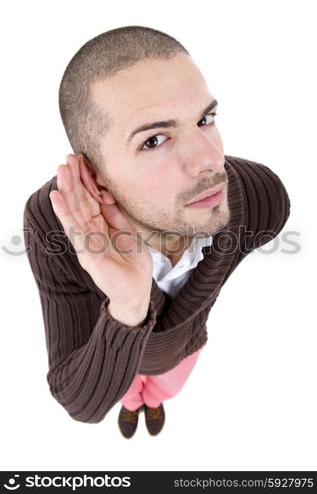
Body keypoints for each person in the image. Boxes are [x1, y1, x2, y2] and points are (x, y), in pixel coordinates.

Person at [23, 25, 291, 439]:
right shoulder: (54, 221)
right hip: (108, 353)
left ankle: (152, 404)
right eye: (155, 140)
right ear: (96, 176)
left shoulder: (260, 198)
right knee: (125, 391)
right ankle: (132, 405)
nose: (210, 160)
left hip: (183, 349)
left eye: (206, 119)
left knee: (164, 387)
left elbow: (269, 218)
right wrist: (128, 305)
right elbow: (80, 402)